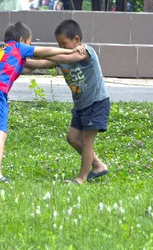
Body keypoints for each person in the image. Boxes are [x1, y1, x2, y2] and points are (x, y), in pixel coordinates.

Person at [0, 21, 85, 182]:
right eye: (29, 44)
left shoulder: (2, 51)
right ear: (22, 40)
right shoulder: (17, 47)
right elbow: (45, 52)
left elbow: (37, 65)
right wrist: (70, 50)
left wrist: (61, 60)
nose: (29, 48)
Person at [25, 19, 110, 184]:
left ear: (77, 40)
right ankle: (98, 165)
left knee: (86, 141)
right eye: (58, 44)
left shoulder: (85, 51)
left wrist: (34, 50)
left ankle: (81, 178)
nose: (61, 47)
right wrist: (14, 60)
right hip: (80, 106)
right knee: (72, 138)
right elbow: (38, 64)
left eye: (63, 43)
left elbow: (70, 57)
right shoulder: (63, 56)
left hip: (96, 103)